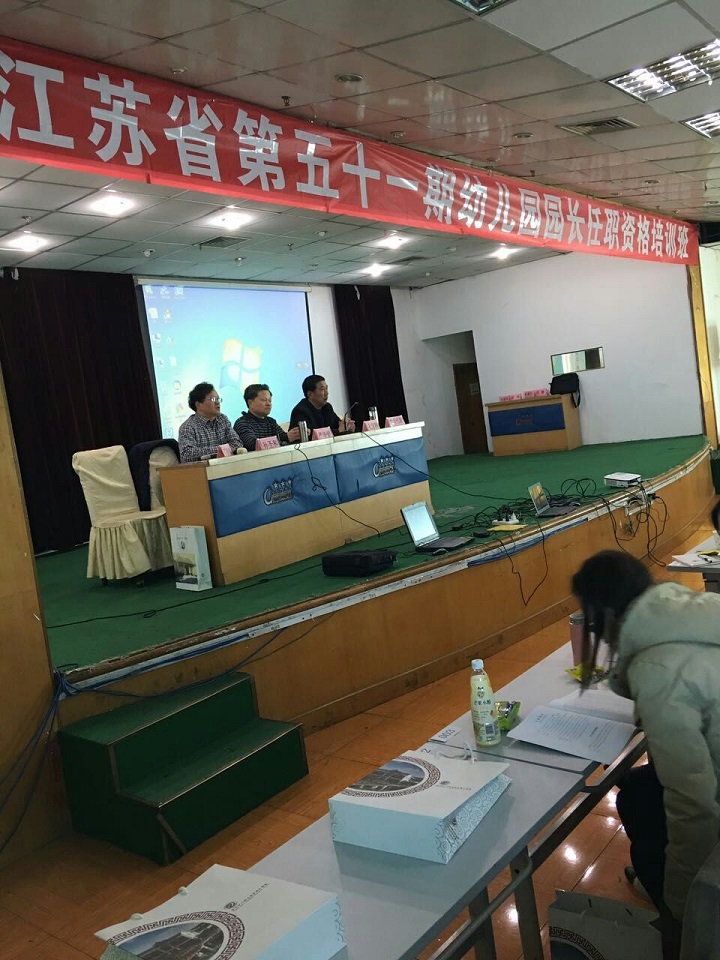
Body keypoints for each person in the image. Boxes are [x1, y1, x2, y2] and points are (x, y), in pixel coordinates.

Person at [571, 550, 720, 959]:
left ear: (607, 614)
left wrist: (683, 910)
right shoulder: (696, 609)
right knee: (638, 785)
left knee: (638, 801)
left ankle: (671, 895)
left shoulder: (658, 671)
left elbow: (694, 805)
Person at [178, 382, 245, 462]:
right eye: (213, 399)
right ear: (198, 404)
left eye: (218, 399)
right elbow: (187, 455)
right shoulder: (188, 427)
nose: (217, 402)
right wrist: (221, 449)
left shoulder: (223, 419)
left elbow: (237, 443)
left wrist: (220, 450)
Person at [233, 384, 300, 451]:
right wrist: (286, 438)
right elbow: (253, 445)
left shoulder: (271, 421)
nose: (268, 404)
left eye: (270, 400)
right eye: (264, 400)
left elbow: (282, 436)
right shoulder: (242, 423)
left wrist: (294, 435)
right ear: (250, 403)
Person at [289, 374, 354, 437]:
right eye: (322, 389)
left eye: (326, 388)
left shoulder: (327, 407)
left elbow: (339, 425)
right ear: (310, 394)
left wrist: (347, 427)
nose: (327, 393)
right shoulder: (300, 411)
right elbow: (311, 436)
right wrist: (338, 431)